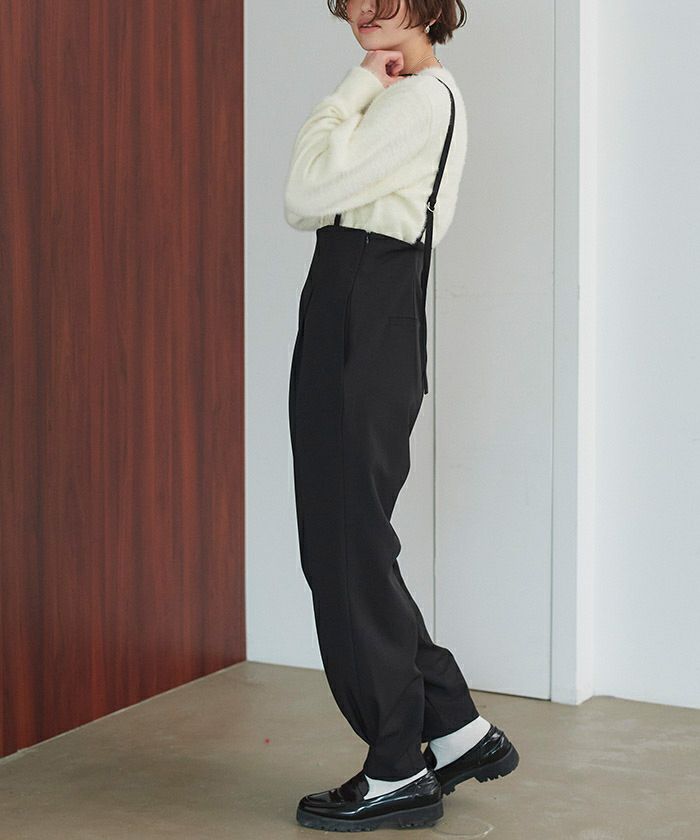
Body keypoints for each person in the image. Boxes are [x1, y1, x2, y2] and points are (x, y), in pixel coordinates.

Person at [284, 1, 519, 831]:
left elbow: (303, 191)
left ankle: (397, 768)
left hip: (365, 306)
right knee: (350, 544)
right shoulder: (412, 94)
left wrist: (352, 88)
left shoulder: (417, 99)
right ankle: (453, 728)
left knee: (347, 549)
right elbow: (316, 195)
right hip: (356, 307)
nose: (360, 11)